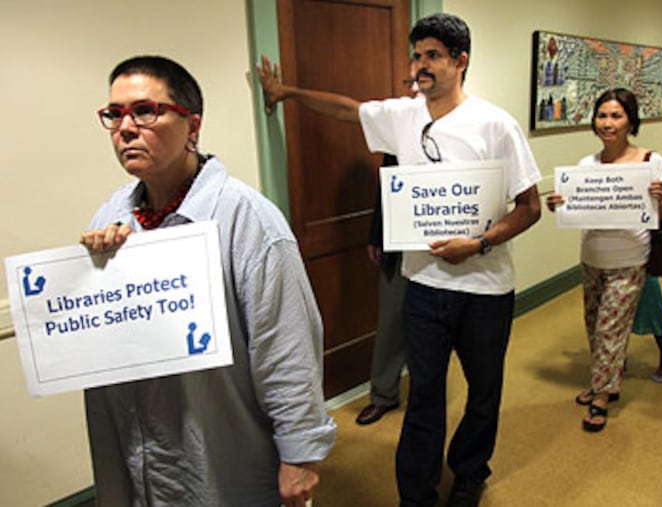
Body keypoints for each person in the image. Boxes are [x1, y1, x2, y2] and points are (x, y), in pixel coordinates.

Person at [257, 13, 542, 507]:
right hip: (425, 288)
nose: (420, 65)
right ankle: (416, 495)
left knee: (483, 393)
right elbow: (348, 111)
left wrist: (478, 244)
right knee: (425, 397)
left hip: (485, 291)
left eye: (432, 55)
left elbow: (530, 207)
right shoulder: (403, 115)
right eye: (416, 55)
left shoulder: (495, 124)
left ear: (460, 61)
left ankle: (470, 473)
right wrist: (287, 93)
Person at [79, 55, 336, 506]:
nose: (125, 128)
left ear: (193, 126)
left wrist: (300, 456)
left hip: (224, 452)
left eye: (145, 111)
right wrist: (95, 270)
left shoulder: (248, 220)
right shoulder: (112, 216)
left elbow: (287, 348)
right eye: (114, 114)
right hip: (139, 446)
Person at [546, 88, 662, 432]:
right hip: (591, 258)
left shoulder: (651, 162)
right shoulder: (587, 166)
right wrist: (558, 204)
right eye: (602, 115)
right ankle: (607, 379)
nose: (608, 123)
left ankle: (602, 394)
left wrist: (661, 200)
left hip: (630, 258)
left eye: (616, 116)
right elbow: (575, 206)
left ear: (631, 120)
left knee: (610, 328)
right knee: (594, 325)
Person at [357, 70, 419, 427]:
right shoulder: (398, 130)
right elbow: (386, 187)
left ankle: (426, 397)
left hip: (445, 248)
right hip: (398, 242)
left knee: (435, 328)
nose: (412, 89)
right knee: (391, 320)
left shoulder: (462, 127)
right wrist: (376, 235)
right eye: (409, 82)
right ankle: (383, 394)